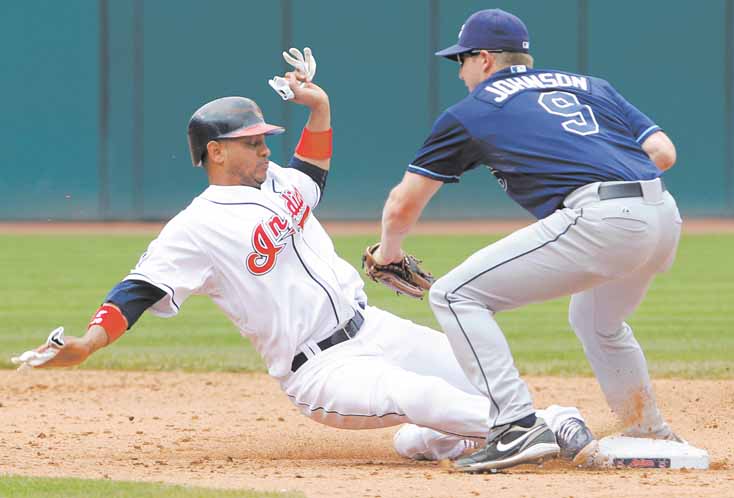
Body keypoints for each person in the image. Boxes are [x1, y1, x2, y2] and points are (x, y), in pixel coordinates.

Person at [11, 48, 595, 466]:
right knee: (416, 395)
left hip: (376, 328)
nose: (265, 145)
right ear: (215, 152)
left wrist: (319, 109)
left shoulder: (281, 181)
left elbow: (313, 169)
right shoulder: (195, 227)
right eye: (251, 141)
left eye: (265, 136)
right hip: (320, 370)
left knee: (473, 367)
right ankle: (537, 427)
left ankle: (431, 441)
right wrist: (89, 341)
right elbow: (137, 289)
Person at [374, 9, 684, 473]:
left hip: (602, 219)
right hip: (662, 215)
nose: (459, 72)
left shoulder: (474, 110)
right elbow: (663, 152)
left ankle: (516, 425)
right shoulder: (591, 86)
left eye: (460, 61)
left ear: (484, 59)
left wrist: (388, 252)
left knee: (455, 295)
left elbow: (403, 205)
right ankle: (649, 432)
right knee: (597, 321)